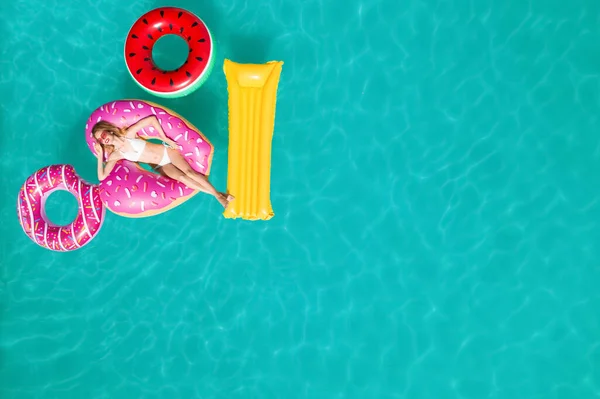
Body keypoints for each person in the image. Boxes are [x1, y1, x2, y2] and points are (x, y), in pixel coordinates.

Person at [92, 116, 233, 208]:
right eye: (100, 140)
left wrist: (164, 138)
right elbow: (102, 177)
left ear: (109, 131)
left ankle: (219, 196)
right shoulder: (116, 154)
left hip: (167, 153)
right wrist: (100, 156)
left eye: (103, 135)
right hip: (162, 165)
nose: (104, 140)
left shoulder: (129, 134)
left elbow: (152, 119)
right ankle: (219, 195)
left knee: (189, 172)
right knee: (183, 178)